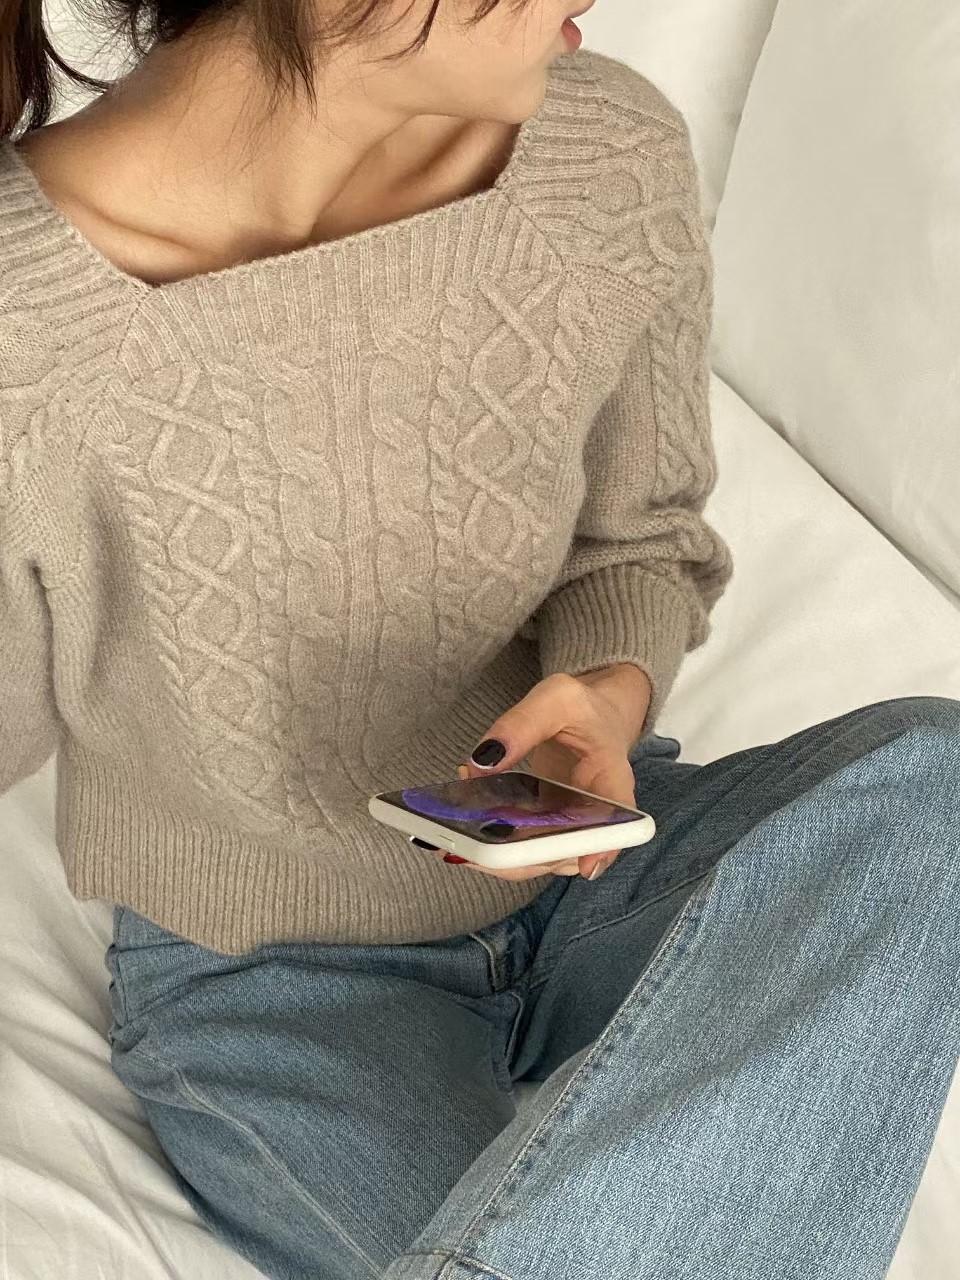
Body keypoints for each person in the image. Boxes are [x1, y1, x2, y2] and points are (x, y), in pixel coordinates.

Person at [0, 2, 957, 1277]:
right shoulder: (25, 317)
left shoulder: (601, 155)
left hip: (583, 865)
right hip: (277, 985)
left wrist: (607, 696)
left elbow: (640, 537)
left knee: (934, 781)